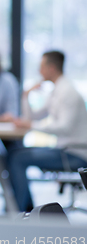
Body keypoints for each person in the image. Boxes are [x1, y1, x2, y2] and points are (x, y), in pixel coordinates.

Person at [9, 51, 87, 212]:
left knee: (18, 159)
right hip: (64, 150)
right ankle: (26, 208)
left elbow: (64, 128)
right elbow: (33, 116)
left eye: (41, 67)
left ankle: (20, 212)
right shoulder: (56, 91)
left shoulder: (68, 92)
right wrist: (26, 95)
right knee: (14, 152)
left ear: (51, 68)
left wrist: (30, 125)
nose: (39, 71)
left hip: (75, 153)